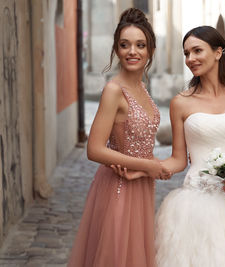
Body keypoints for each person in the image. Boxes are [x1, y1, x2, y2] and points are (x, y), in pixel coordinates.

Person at [154, 26, 225, 267]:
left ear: (218, 52)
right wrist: (144, 168)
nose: (190, 59)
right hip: (195, 205)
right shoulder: (180, 103)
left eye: (197, 51)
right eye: (186, 53)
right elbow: (178, 160)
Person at [67, 8, 170, 267]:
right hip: (118, 186)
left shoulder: (143, 89)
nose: (132, 51)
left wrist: (148, 167)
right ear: (116, 49)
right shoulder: (114, 91)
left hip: (142, 185)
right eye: (125, 45)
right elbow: (94, 149)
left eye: (140, 45)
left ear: (150, 51)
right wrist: (147, 165)